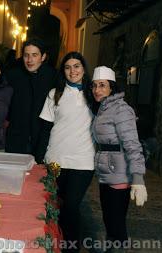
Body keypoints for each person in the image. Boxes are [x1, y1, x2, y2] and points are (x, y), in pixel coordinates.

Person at [39, 51, 95, 252]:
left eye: (77, 66)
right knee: (57, 206)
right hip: (56, 160)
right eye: (68, 67)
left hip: (83, 161)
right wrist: (40, 158)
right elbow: (45, 128)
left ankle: (71, 248)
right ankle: (55, 245)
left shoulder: (93, 93)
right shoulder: (55, 93)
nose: (73, 71)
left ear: (83, 68)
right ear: (63, 71)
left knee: (71, 206)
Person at [90, 66, 147, 252]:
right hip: (107, 173)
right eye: (94, 86)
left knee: (116, 225)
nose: (97, 90)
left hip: (120, 175)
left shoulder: (121, 109)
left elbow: (132, 144)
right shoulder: (103, 108)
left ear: (111, 88)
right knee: (110, 221)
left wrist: (138, 178)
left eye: (102, 85)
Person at [5, 38, 58, 163]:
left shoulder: (53, 77)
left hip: (42, 140)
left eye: (34, 55)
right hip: (16, 139)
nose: (30, 60)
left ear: (43, 56)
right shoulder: (12, 75)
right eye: (26, 55)